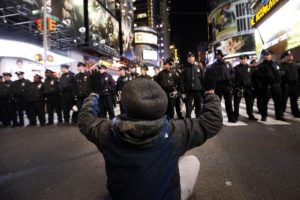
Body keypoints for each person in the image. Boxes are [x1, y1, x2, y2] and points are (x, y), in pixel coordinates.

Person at [78, 78, 222, 200]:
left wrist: (93, 94)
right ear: (162, 104)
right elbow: (212, 122)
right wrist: (210, 93)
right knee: (192, 161)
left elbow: (85, 119)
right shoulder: (175, 132)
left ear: (125, 105)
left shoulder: (106, 131)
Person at [257, 49, 284, 121]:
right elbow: (259, 76)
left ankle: (279, 115)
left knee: (278, 101)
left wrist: (280, 76)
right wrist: (266, 77)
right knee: (265, 102)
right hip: (267, 86)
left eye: (268, 55)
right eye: (265, 55)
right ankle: (264, 116)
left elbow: (282, 71)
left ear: (270, 55)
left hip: (276, 85)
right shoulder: (261, 66)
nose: (267, 56)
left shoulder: (275, 64)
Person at [210, 50, 236, 122]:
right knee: (217, 103)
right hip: (218, 86)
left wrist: (229, 78)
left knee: (229, 102)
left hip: (227, 85)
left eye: (219, 55)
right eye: (217, 55)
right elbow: (211, 75)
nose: (218, 56)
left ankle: (231, 118)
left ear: (222, 55)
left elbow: (233, 72)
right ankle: (217, 119)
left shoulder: (227, 64)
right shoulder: (214, 65)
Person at [233, 55, 257, 121]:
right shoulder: (236, 68)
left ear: (247, 59)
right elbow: (233, 78)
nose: (243, 60)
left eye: (244, 59)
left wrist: (252, 85)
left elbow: (253, 78)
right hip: (239, 88)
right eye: (241, 59)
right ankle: (236, 115)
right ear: (240, 60)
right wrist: (235, 86)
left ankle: (250, 114)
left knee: (249, 102)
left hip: (248, 88)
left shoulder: (250, 68)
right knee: (236, 102)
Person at [182, 52, 205, 118]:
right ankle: (188, 121)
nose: (190, 58)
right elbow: (182, 80)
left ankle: (198, 120)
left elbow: (202, 78)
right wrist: (183, 91)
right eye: (189, 57)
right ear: (187, 59)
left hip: (198, 90)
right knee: (188, 107)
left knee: (198, 106)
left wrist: (204, 89)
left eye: (191, 57)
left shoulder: (199, 67)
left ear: (194, 58)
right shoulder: (185, 68)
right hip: (189, 90)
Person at [280, 51, 300, 118]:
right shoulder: (281, 66)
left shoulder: (296, 65)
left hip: (294, 85)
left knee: (294, 100)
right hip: (286, 85)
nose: (290, 56)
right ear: (285, 57)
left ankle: (295, 112)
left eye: (291, 55)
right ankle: (281, 113)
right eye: (288, 55)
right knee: (283, 100)